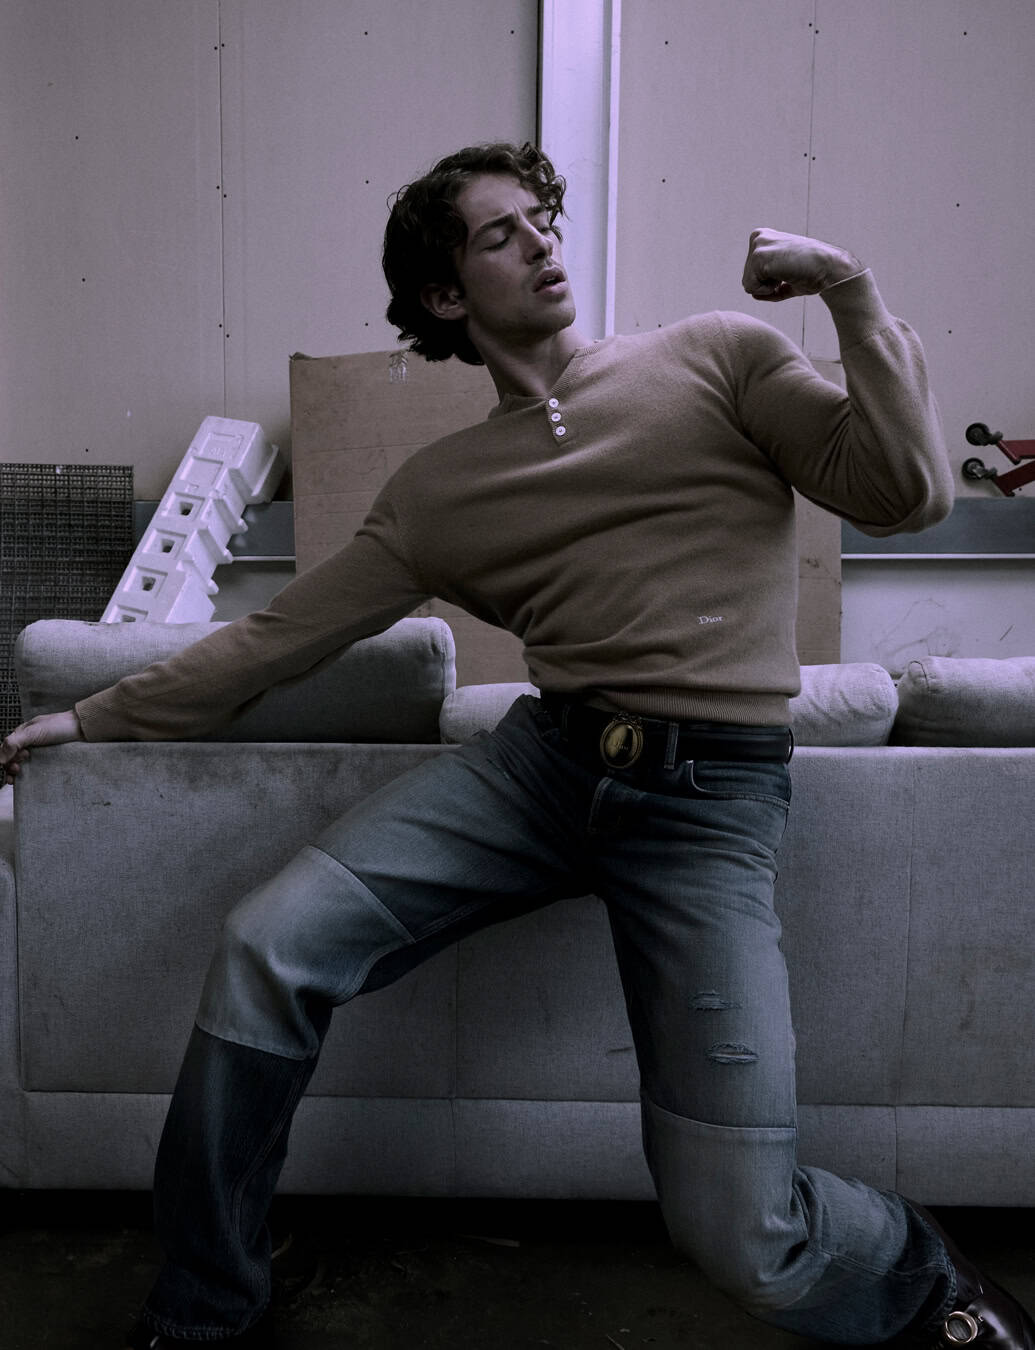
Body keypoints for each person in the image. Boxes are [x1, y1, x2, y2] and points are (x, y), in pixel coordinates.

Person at [2, 142, 1031, 1350]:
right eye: (503, 233)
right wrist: (95, 716)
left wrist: (846, 290)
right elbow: (280, 636)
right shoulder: (440, 492)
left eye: (544, 218)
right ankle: (206, 1305)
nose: (544, 240)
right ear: (446, 295)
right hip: (542, 770)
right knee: (265, 946)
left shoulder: (721, 356)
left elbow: (906, 493)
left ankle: (932, 1287)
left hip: (710, 802)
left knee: (747, 1234)